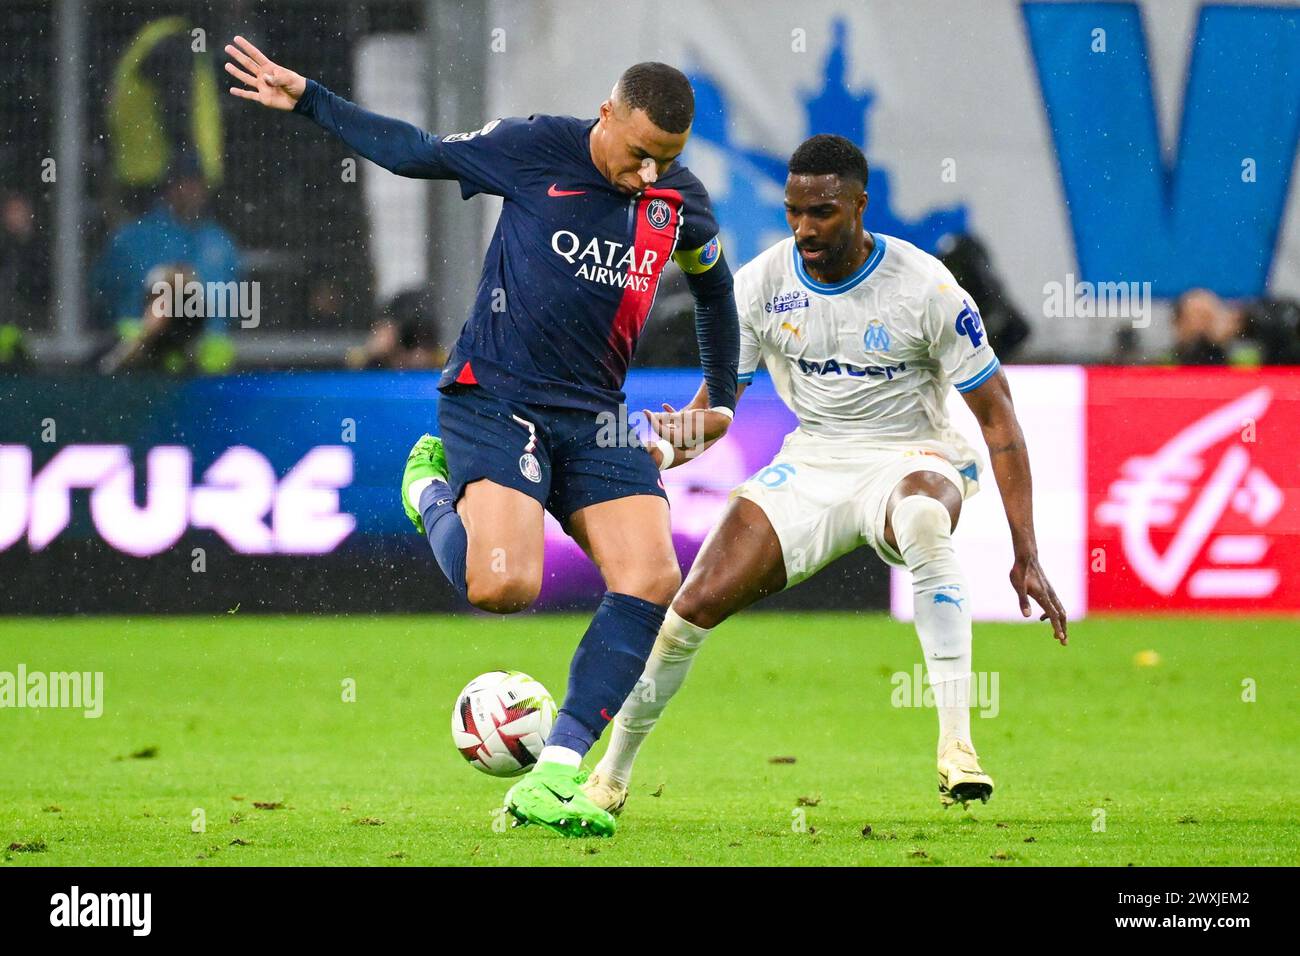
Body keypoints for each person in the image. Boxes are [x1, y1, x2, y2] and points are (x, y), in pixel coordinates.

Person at [224, 37, 738, 836]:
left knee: (650, 578)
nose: (648, 176)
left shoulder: (679, 199)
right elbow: (415, 154)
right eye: (639, 155)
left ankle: (557, 778)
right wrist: (313, 100)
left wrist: (723, 400)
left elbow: (715, 292)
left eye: (665, 161)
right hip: (497, 398)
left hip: (597, 414)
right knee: (503, 590)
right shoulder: (536, 148)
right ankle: (428, 489)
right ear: (607, 114)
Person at [581, 135, 1068, 817]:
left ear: (861, 206)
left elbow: (999, 422)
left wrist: (1026, 551)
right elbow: (715, 411)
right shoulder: (760, 285)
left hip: (914, 454)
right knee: (690, 608)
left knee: (926, 522)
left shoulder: (926, 288)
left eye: (824, 212)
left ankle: (958, 748)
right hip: (814, 462)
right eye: (794, 211)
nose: (805, 228)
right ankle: (609, 776)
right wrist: (663, 451)